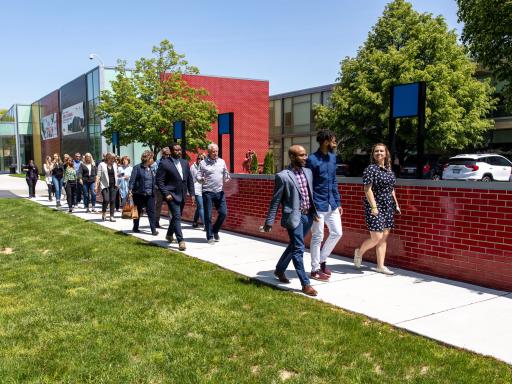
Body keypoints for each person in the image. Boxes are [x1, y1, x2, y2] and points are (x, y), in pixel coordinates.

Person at [262, 145, 319, 296]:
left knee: (294, 245)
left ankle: (280, 269)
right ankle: (305, 284)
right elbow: (275, 201)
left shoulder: (308, 172)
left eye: (306, 154)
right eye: (301, 155)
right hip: (294, 217)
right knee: (299, 249)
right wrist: (269, 222)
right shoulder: (283, 176)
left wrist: (314, 211)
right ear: (292, 157)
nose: (305, 157)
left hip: (308, 216)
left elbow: (309, 194)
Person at [353, 143, 401, 275]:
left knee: (384, 237)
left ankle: (380, 266)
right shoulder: (370, 169)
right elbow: (367, 189)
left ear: (386, 154)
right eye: (376, 151)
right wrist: (374, 206)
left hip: (388, 206)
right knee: (377, 236)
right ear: (373, 155)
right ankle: (359, 252)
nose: (379, 153)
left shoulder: (389, 171)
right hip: (375, 205)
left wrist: (396, 204)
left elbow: (392, 190)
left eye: (381, 151)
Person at [306, 130, 343, 281]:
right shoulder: (312, 159)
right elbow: (307, 184)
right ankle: (315, 270)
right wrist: (310, 206)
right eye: (333, 140)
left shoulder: (333, 158)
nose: (335, 143)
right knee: (317, 236)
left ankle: (322, 260)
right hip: (317, 204)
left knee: (337, 232)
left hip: (331, 204)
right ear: (326, 141)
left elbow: (334, 181)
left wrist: (338, 202)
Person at [156, 144, 195, 251]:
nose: (178, 151)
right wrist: (166, 193)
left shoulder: (185, 162)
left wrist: (192, 194)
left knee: (176, 216)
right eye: (176, 150)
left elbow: (189, 179)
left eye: (179, 149)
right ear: (171, 151)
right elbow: (159, 181)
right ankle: (180, 240)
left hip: (182, 194)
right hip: (171, 195)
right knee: (177, 216)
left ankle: (169, 234)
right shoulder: (164, 163)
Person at [196, 143, 230, 245]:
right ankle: (210, 236)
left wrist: (227, 177)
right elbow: (197, 176)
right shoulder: (203, 163)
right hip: (208, 192)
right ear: (209, 152)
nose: (215, 153)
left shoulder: (222, 162)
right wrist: (201, 179)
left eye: (216, 151)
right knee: (208, 215)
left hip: (219, 192)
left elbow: (225, 173)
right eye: (213, 152)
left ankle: (215, 230)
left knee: (223, 213)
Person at [128, 150, 158, 236]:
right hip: (138, 193)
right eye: (152, 158)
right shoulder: (137, 168)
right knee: (137, 211)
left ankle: (153, 230)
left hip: (150, 194)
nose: (153, 160)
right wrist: (130, 190)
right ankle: (135, 226)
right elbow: (132, 180)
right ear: (148, 158)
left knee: (151, 212)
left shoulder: (152, 168)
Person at [95, 152, 118, 222]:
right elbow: (98, 176)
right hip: (105, 185)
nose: (113, 160)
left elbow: (116, 174)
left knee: (112, 200)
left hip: (114, 185)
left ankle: (112, 216)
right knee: (106, 200)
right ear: (108, 158)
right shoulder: (101, 165)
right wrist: (96, 186)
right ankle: (104, 212)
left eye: (114, 158)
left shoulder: (115, 165)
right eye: (112, 158)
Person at [190, 153, 205, 228]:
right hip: (196, 189)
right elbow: (191, 179)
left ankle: (195, 222)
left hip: (203, 189)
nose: (199, 160)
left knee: (199, 207)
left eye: (201, 159)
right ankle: (205, 224)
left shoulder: (205, 167)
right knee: (201, 206)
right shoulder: (193, 167)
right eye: (198, 158)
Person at [153, 149, 167, 228]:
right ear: (162, 154)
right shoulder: (157, 163)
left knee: (171, 206)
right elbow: (153, 174)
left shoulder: (171, 162)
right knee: (158, 205)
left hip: (168, 188)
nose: (167, 156)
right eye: (165, 154)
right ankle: (156, 222)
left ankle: (173, 224)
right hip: (159, 188)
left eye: (168, 154)